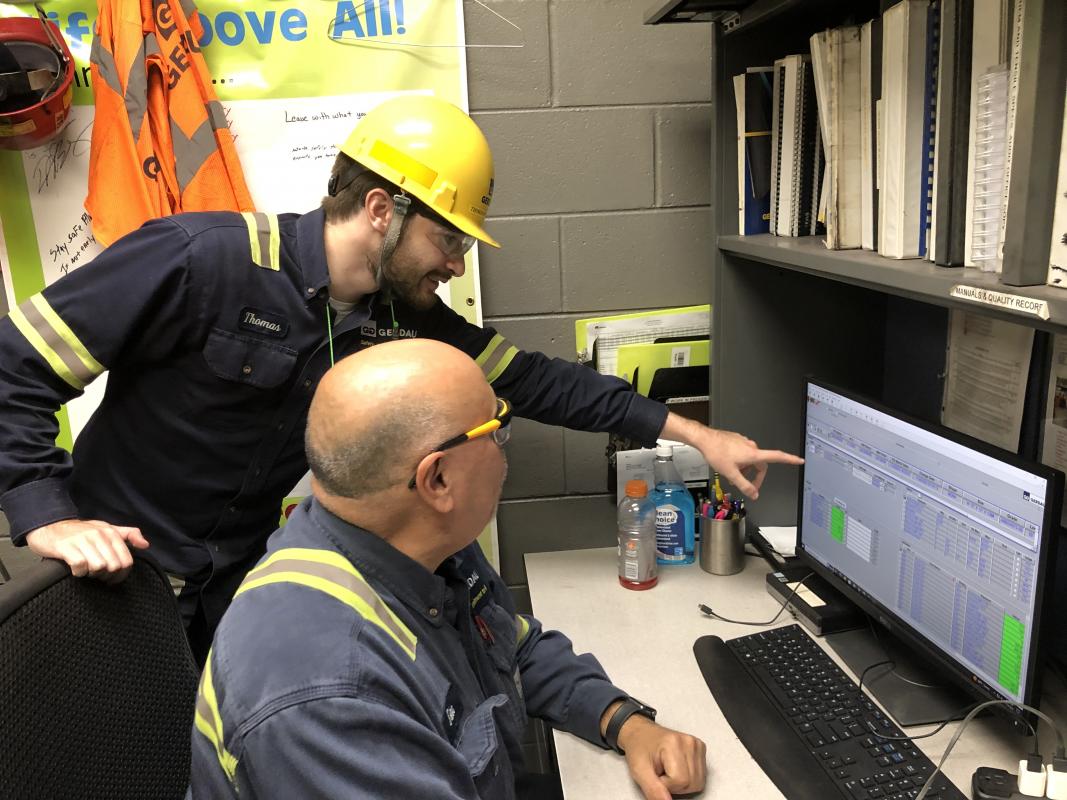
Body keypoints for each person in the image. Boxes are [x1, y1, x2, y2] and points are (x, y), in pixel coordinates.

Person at [0, 93, 802, 660]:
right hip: (106, 585)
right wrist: (45, 514)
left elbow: (536, 381)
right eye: (448, 239)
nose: (455, 265)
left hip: (232, 598)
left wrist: (698, 434)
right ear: (381, 209)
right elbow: (14, 364)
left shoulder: (401, 317)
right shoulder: (202, 258)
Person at [187, 338, 708, 800]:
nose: (506, 446)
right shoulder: (325, 691)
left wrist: (624, 721)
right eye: (496, 428)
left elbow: (513, 644)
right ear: (436, 480)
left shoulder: (416, 543)